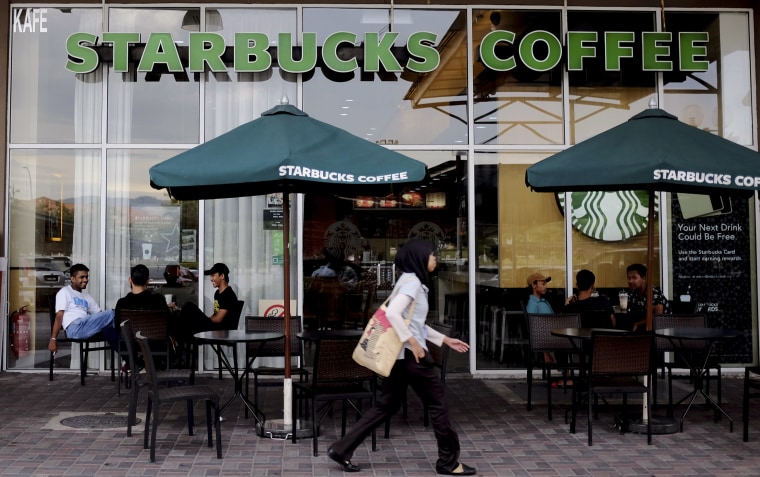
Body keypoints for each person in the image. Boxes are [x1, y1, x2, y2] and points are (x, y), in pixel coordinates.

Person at [327, 239, 476, 476]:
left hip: (398, 357)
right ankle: (448, 463)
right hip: (411, 357)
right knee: (439, 405)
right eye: (431, 254)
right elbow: (395, 314)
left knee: (386, 405)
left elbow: (412, 322)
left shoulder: (407, 281)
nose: (435, 258)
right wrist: (414, 343)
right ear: (419, 258)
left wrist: (445, 340)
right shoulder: (413, 283)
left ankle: (342, 449)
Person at [48, 263, 119, 354]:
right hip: (74, 328)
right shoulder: (65, 292)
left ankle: (129, 359)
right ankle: (132, 354)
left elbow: (99, 315)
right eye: (82, 277)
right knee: (113, 313)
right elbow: (59, 316)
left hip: (85, 326)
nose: (85, 280)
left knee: (110, 331)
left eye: (86, 277)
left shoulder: (86, 297)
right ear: (73, 279)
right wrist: (53, 339)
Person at [626, 263, 671, 332]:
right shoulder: (632, 293)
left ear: (643, 278)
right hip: (641, 330)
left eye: (634, 278)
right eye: (629, 278)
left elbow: (658, 317)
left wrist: (638, 324)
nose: (630, 281)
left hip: (662, 330)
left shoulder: (654, 293)